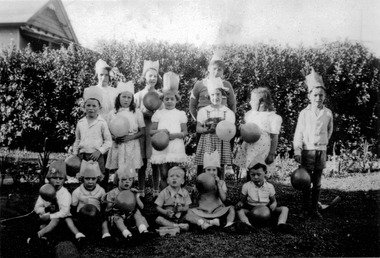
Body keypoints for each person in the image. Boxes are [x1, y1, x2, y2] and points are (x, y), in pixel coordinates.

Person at [293, 67, 333, 219]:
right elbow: (299, 133)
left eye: (321, 95)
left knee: (317, 182)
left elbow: (329, 131)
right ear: (309, 96)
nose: (318, 98)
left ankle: (314, 210)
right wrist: (297, 150)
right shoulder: (304, 113)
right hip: (307, 151)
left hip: (320, 151)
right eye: (315, 95)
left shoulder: (328, 113)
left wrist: (323, 144)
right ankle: (305, 209)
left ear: (325, 96)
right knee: (306, 181)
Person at [189, 51, 236, 176]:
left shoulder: (226, 85)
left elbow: (232, 105)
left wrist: (229, 125)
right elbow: (192, 106)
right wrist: (200, 122)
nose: (216, 72)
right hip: (205, 125)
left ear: (223, 71)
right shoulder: (199, 84)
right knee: (203, 154)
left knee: (221, 154)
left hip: (222, 125)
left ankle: (220, 182)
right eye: (214, 68)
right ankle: (200, 181)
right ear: (209, 68)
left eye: (219, 69)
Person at [150, 72, 188, 190]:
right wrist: (161, 132)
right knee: (164, 174)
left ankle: (176, 197)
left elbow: (185, 132)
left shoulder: (180, 114)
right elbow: (151, 131)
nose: (169, 101)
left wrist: (175, 135)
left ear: (176, 100)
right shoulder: (158, 113)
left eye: (172, 99)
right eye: (167, 99)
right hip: (162, 147)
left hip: (175, 146)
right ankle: (164, 197)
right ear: (163, 100)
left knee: (175, 174)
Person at [234, 87, 282, 179]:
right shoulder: (250, 115)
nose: (250, 102)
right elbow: (247, 129)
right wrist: (242, 128)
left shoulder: (272, 117)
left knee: (260, 170)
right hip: (250, 147)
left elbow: (274, 137)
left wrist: (272, 153)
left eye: (253, 100)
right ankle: (249, 188)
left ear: (262, 103)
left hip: (262, 150)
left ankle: (262, 190)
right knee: (250, 168)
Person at [194, 77, 235, 180]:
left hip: (222, 142)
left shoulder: (228, 112)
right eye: (213, 94)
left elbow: (231, 130)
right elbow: (198, 128)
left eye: (218, 94)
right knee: (206, 166)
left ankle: (220, 187)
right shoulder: (203, 111)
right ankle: (204, 186)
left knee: (220, 167)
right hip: (207, 141)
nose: (215, 97)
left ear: (223, 96)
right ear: (209, 96)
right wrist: (206, 130)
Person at [236, 163, 294, 233]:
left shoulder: (269, 186)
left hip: (266, 208)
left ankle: (281, 224)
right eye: (253, 175)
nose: (256, 177)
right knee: (240, 211)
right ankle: (248, 226)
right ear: (249, 174)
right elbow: (242, 200)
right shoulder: (246, 186)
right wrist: (240, 203)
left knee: (285, 209)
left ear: (265, 173)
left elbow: (274, 201)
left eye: (258, 174)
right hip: (251, 209)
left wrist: (274, 204)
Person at [73, 86, 112, 189]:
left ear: (99, 107)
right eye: (88, 105)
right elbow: (77, 140)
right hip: (83, 156)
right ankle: (84, 199)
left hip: (96, 156)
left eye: (94, 106)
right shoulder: (80, 123)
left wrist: (99, 151)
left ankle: (99, 198)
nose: (91, 108)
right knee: (84, 178)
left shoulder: (102, 123)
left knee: (98, 179)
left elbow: (108, 141)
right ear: (84, 107)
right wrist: (75, 154)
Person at [185, 151, 236, 231]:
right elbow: (194, 199)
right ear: (204, 171)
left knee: (231, 208)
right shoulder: (200, 182)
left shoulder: (221, 183)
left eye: (214, 170)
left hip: (217, 209)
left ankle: (229, 224)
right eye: (208, 169)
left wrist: (218, 185)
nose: (211, 172)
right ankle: (205, 222)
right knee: (187, 212)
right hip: (202, 210)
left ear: (217, 171)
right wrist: (198, 188)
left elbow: (224, 199)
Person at [65, 160, 112, 246]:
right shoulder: (77, 191)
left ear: (98, 178)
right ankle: (79, 235)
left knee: (104, 219)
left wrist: (106, 204)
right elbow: (74, 205)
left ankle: (105, 234)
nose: (90, 182)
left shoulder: (101, 191)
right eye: (87, 178)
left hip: (96, 216)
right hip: (82, 216)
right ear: (82, 178)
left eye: (93, 179)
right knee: (69, 219)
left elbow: (104, 204)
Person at [134, 60, 163, 197]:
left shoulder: (160, 96)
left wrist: (156, 114)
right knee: (142, 161)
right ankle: (141, 189)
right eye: (150, 75)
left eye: (155, 76)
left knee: (155, 161)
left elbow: (163, 113)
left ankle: (156, 190)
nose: (152, 79)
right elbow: (133, 113)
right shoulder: (138, 95)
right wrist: (142, 113)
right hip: (142, 130)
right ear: (144, 77)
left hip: (155, 130)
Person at [106, 81, 145, 179]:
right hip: (117, 144)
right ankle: (118, 190)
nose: (126, 100)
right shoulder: (112, 113)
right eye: (123, 97)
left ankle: (129, 190)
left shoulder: (136, 112)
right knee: (118, 171)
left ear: (132, 99)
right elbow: (107, 131)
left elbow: (143, 131)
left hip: (131, 144)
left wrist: (131, 137)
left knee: (130, 171)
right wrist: (114, 137)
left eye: (129, 97)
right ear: (118, 97)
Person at [103, 164, 152, 242]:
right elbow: (107, 209)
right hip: (118, 215)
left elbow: (142, 207)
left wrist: (136, 197)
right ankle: (127, 235)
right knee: (117, 218)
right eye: (124, 179)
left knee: (137, 212)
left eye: (130, 180)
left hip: (130, 216)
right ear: (117, 180)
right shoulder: (112, 193)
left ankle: (143, 231)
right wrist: (114, 203)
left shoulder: (133, 192)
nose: (127, 182)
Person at [27, 160, 71, 245]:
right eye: (54, 178)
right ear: (49, 179)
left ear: (64, 180)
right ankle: (43, 239)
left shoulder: (64, 193)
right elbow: (37, 208)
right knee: (42, 226)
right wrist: (45, 210)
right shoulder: (45, 191)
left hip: (60, 219)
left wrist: (50, 216)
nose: (58, 181)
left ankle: (39, 235)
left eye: (61, 178)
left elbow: (64, 212)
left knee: (55, 221)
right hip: (45, 218)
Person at [154, 166, 191, 231]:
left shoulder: (185, 192)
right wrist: (165, 212)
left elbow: (187, 207)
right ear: (168, 180)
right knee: (159, 219)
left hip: (181, 217)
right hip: (168, 217)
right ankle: (177, 226)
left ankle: (175, 226)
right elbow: (157, 207)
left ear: (182, 181)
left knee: (189, 215)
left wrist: (182, 208)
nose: (174, 178)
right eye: (171, 176)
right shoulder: (164, 192)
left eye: (177, 176)